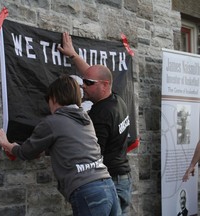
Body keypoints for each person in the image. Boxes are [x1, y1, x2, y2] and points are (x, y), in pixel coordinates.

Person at [0, 75, 119, 216]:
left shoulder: (52, 122)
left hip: (86, 190)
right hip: (107, 184)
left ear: (54, 98)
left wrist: (6, 143)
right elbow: (68, 143)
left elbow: (26, 152)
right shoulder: (85, 119)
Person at [58, 32, 132, 215]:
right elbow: (93, 75)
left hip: (111, 183)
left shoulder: (101, 114)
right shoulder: (116, 99)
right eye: (83, 81)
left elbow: (92, 154)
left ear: (104, 85)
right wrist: (74, 55)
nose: (83, 85)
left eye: (88, 83)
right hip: (122, 179)